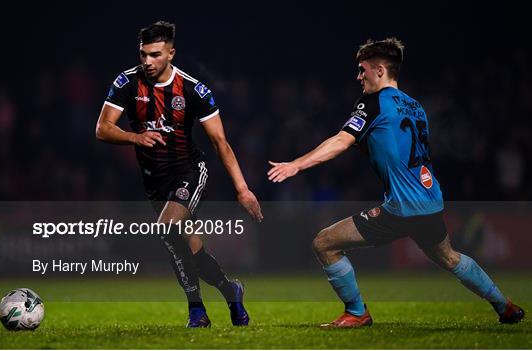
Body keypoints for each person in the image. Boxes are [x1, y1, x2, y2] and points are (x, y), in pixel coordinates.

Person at [267, 38, 524, 328]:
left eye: (362, 70)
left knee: (324, 243)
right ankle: (504, 306)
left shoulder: (372, 102)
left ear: (379, 70)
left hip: (401, 209)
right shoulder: (416, 107)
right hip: (430, 201)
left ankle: (356, 312)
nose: (358, 76)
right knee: (450, 257)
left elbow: (341, 140)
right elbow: (393, 148)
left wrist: (296, 164)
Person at [96, 20, 263, 328]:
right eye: (143, 54)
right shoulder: (126, 83)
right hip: (154, 180)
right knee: (191, 250)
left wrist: (242, 189)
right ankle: (231, 291)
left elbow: (220, 142)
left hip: (188, 171)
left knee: (166, 228)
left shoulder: (192, 89)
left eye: (155, 54)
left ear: (171, 53)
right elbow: (102, 128)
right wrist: (135, 137)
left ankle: (196, 311)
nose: (147, 61)